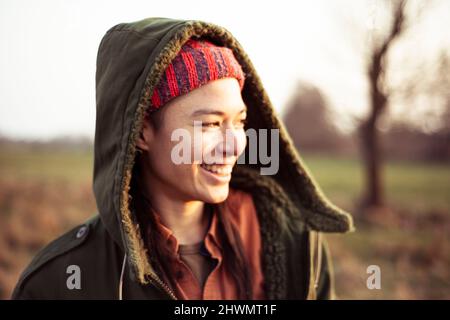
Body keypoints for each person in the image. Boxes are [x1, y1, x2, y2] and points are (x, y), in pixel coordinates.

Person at [12, 17, 353, 300]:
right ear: (142, 132)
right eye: (209, 124)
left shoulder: (295, 244)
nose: (235, 144)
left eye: (240, 121)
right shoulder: (60, 282)